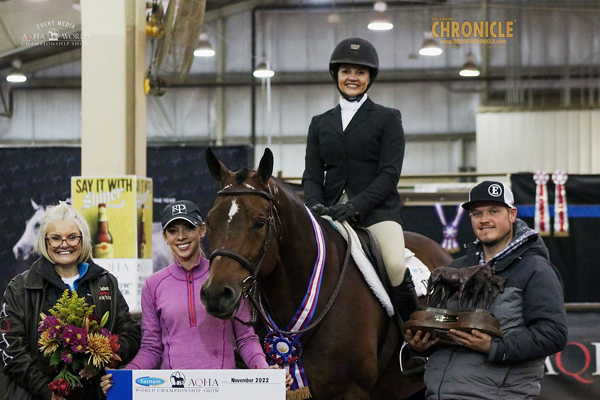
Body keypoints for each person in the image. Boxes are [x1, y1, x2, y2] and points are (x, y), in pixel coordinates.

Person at [100, 200, 292, 394]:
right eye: (173, 231)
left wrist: (264, 371)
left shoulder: (226, 279)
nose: (181, 236)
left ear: (202, 230)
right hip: (171, 392)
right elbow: (151, 347)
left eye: (188, 228)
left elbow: (245, 338)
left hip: (223, 392)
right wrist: (125, 378)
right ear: (165, 237)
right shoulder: (153, 285)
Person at [406, 181, 568, 399]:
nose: (484, 220)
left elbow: (553, 334)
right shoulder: (456, 268)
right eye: (477, 213)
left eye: (494, 211)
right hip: (440, 393)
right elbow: (444, 325)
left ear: (512, 215)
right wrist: (421, 346)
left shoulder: (536, 269)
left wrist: (495, 347)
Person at [302, 37, 417, 321]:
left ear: (369, 77)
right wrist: (316, 205)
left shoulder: (387, 118)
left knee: (393, 264)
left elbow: (389, 174)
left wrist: (355, 207)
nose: (352, 77)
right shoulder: (320, 122)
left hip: (375, 212)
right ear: (336, 75)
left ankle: (413, 335)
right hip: (328, 213)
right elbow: (312, 174)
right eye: (346, 71)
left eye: (360, 72)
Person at [1, 201, 141, 400]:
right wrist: (47, 391)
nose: (64, 244)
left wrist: (102, 358)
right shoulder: (20, 287)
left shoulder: (105, 281)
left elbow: (130, 333)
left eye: (72, 237)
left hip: (94, 394)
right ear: (45, 241)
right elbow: (11, 348)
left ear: (82, 240)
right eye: (56, 238)